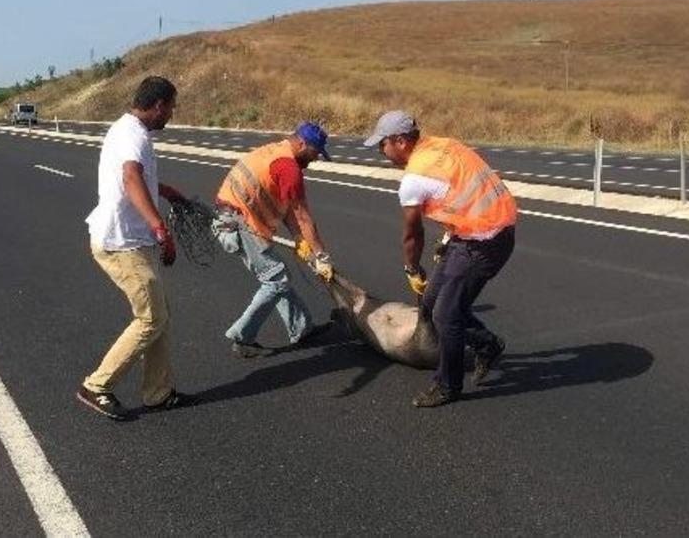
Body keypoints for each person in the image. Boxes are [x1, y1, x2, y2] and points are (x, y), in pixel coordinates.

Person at [364, 110, 517, 408]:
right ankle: (488, 344)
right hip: (475, 232)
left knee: (445, 315)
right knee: (432, 302)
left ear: (400, 141)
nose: (382, 151)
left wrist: (411, 268)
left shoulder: (414, 178)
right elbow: (460, 191)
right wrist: (449, 237)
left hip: (486, 241)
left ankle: (448, 385)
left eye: (383, 144)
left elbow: (412, 235)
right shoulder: (444, 145)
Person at [76, 76, 199, 420]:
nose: (171, 115)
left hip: (133, 240)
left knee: (160, 316)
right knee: (151, 317)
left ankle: (157, 393)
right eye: (171, 107)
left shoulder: (127, 129)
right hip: (121, 242)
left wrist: (167, 191)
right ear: (158, 105)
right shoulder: (134, 135)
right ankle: (96, 385)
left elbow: (137, 179)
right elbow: (131, 177)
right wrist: (161, 228)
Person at [213, 122, 336, 358]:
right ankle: (242, 337)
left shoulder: (278, 150)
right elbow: (303, 216)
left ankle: (301, 328)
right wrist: (322, 256)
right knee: (275, 279)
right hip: (237, 222)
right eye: (314, 152)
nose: (315, 159)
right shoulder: (289, 168)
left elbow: (289, 209)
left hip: (235, 217)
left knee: (277, 275)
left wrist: (300, 239)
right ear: (302, 144)